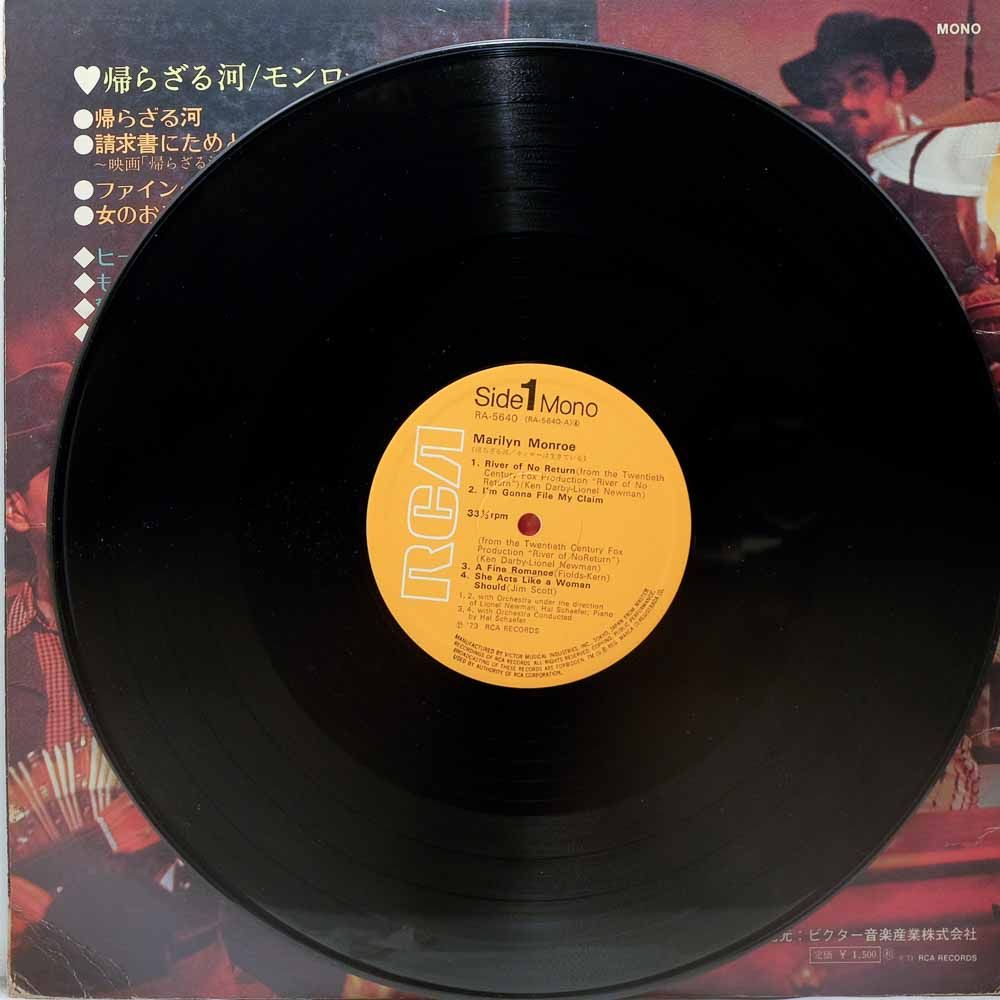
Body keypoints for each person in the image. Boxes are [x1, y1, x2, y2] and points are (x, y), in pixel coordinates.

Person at [781, 11, 998, 296]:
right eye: (833, 91)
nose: (846, 102)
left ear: (896, 83)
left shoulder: (956, 163)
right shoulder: (824, 174)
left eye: (861, 82)